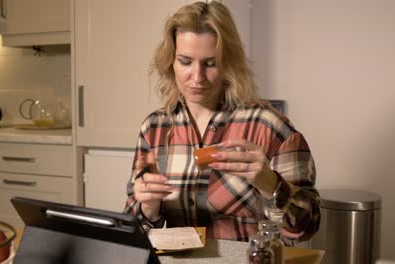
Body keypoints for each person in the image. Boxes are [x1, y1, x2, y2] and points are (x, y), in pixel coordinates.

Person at [125, 1, 320, 242]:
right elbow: (133, 230)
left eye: (210, 63)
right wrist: (148, 208)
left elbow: (307, 228)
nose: (197, 77)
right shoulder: (154, 129)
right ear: (170, 62)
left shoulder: (270, 128)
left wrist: (271, 183)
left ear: (228, 63)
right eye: (185, 61)